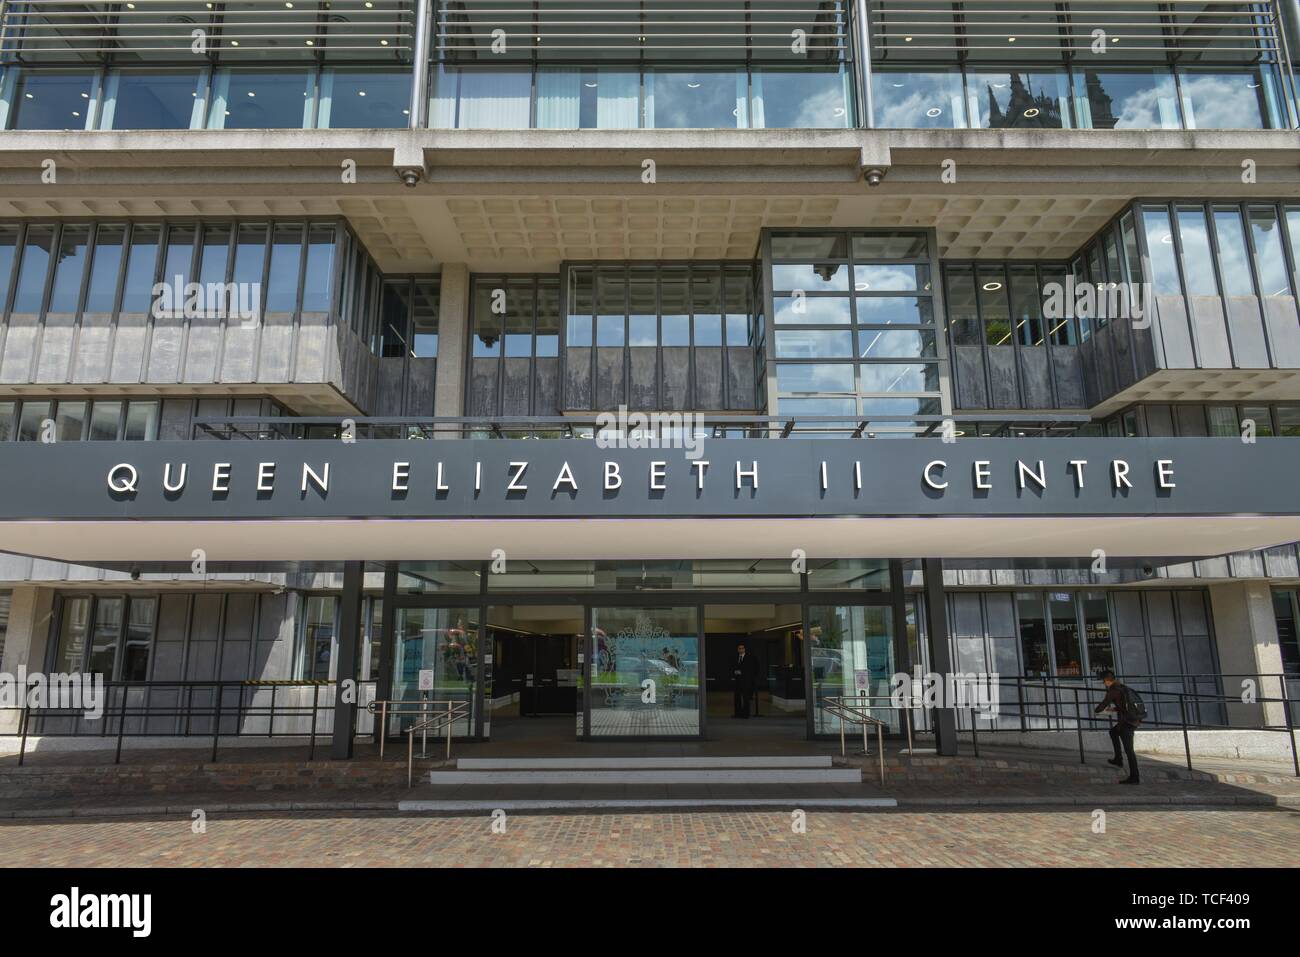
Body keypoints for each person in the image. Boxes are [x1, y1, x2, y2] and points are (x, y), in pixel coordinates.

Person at [1094, 669, 1141, 784]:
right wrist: (1114, 709)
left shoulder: (1113, 690)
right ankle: (1118, 759)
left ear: (1107, 681)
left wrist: (1097, 710)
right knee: (1113, 732)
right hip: (1132, 719)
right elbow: (1124, 705)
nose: (1103, 684)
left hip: (1127, 722)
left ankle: (1134, 777)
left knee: (1129, 750)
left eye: (1103, 681)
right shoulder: (1122, 687)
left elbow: (1103, 704)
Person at [732, 642, 758, 719]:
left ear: (745, 649)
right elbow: (732, 667)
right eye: (739, 648)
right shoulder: (735, 657)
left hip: (746, 681)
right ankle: (737, 714)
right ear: (737, 650)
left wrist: (742, 672)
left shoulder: (750, 657)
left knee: (746, 698)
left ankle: (745, 714)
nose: (741, 650)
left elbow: (752, 669)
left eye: (742, 648)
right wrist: (734, 672)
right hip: (737, 681)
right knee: (737, 698)